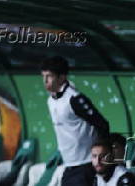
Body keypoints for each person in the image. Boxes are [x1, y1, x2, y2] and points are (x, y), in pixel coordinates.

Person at [41, 56, 110, 186]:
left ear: (62, 77)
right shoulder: (50, 100)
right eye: (43, 76)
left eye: (49, 76)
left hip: (85, 165)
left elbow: (102, 124)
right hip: (69, 165)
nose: (45, 80)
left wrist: (99, 157)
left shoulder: (74, 99)